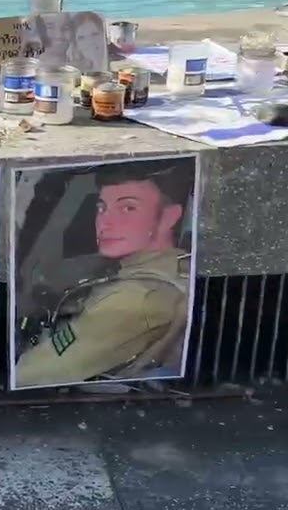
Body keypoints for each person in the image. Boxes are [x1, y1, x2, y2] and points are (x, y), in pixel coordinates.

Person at [15, 161, 192, 388]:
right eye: (101, 208)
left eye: (128, 208)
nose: (104, 222)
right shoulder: (170, 264)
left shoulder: (137, 299)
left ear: (168, 218)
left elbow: (27, 376)